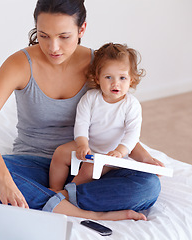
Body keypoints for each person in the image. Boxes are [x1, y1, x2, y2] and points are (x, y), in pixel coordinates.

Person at [0, 0, 163, 221]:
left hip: (88, 165)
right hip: (35, 165)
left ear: (82, 30)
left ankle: (42, 200)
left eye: (64, 37)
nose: (53, 47)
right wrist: (4, 182)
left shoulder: (100, 67)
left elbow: (116, 120)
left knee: (148, 186)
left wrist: (144, 157)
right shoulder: (20, 64)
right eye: (44, 35)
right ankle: (90, 214)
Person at [49, 43, 148, 190]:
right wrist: (82, 145)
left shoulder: (131, 105)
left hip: (111, 153)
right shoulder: (90, 98)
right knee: (59, 153)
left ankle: (66, 194)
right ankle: (54, 189)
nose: (115, 83)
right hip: (90, 145)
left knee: (88, 169)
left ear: (131, 80)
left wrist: (120, 151)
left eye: (122, 78)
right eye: (108, 77)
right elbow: (81, 123)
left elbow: (132, 134)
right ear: (97, 78)